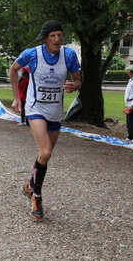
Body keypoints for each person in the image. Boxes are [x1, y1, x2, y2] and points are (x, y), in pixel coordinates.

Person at [9, 20, 81, 219]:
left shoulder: (69, 55)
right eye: (53, 36)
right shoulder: (32, 54)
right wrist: (16, 98)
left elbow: (78, 80)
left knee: (45, 156)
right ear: (45, 38)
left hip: (55, 112)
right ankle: (37, 197)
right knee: (46, 151)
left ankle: (30, 186)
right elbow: (13, 69)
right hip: (35, 108)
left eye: (59, 35)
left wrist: (75, 86)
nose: (57, 39)